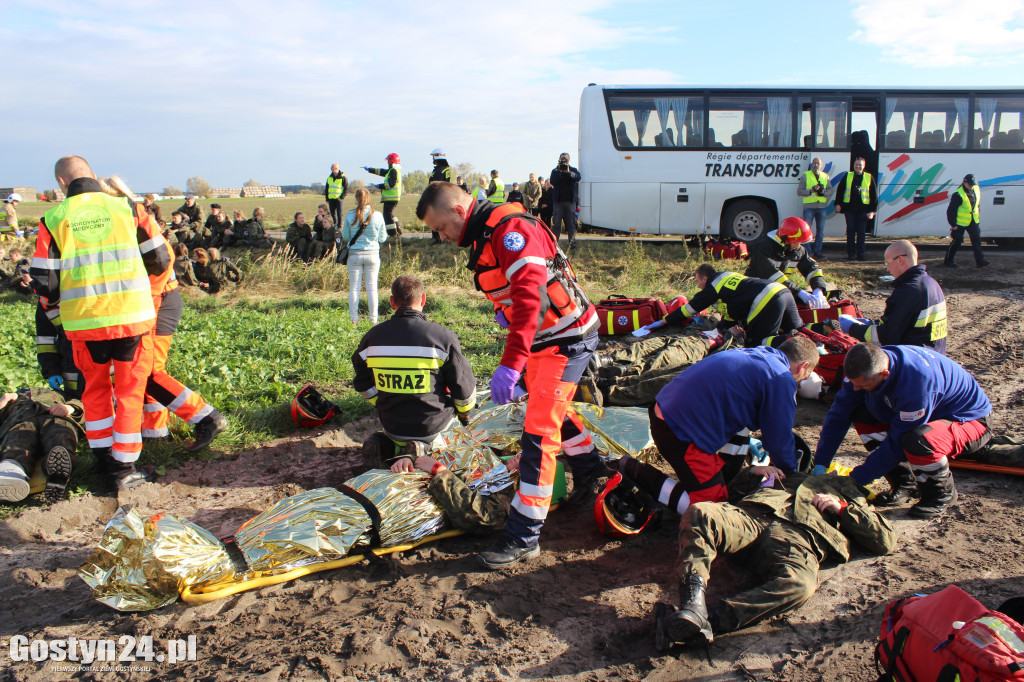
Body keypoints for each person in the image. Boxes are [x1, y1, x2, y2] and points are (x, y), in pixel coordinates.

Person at [416, 181, 606, 570]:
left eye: (440, 227)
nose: (441, 237)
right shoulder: (486, 233)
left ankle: (524, 535)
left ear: (457, 210)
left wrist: (511, 363)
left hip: (566, 337)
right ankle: (591, 469)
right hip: (547, 338)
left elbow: (531, 299)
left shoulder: (510, 231)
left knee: (538, 433)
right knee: (546, 408)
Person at [30, 155, 170, 489]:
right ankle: (125, 468)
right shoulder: (129, 209)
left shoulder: (53, 219)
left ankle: (106, 463)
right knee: (130, 391)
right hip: (132, 320)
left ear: (62, 184)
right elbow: (161, 258)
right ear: (93, 176)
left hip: (84, 325)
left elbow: (44, 282)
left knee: (94, 392)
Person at [655, 470, 896, 649]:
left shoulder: (853, 495)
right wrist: (752, 473)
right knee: (701, 512)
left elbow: (884, 540)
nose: (834, 473)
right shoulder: (792, 472)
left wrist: (842, 508)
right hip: (753, 517)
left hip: (799, 540)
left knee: (800, 584)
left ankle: (711, 620)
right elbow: (730, 493)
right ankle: (692, 606)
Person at [627, 337, 818, 525]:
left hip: (669, 411)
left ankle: (724, 478)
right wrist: (791, 474)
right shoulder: (782, 377)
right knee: (713, 512)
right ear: (803, 366)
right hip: (679, 431)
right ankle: (632, 469)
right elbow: (778, 439)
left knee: (742, 426)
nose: (799, 383)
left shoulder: (760, 354)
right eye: (803, 378)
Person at [812, 343, 992, 518]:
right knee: (860, 413)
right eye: (853, 384)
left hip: (969, 422)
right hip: (928, 415)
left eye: (862, 385)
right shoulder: (867, 368)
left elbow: (896, 444)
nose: (856, 388)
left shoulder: (917, 385)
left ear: (884, 374)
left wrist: (856, 480)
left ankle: (941, 494)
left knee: (917, 440)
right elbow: (839, 414)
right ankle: (904, 483)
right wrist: (821, 462)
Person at [354, 275, 477, 468]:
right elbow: (464, 388)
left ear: (392, 302)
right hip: (433, 428)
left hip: (393, 426)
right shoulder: (442, 338)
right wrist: (464, 416)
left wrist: (382, 401)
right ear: (424, 299)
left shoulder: (371, 338)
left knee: (394, 439)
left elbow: (361, 383)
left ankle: (386, 447)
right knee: (459, 443)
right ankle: (422, 450)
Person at [840, 240, 947, 354]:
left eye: (888, 262)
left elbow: (886, 337)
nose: (887, 268)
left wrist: (852, 328)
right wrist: (870, 324)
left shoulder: (908, 290)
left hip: (913, 360)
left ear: (900, 260)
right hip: (935, 357)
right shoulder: (931, 283)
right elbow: (906, 323)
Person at [668, 265, 804, 348]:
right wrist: (723, 327)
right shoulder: (727, 278)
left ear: (705, 278)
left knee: (759, 343)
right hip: (782, 290)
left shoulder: (713, 287)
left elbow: (690, 309)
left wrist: (663, 321)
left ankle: (790, 339)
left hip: (766, 297)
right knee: (798, 328)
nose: (698, 286)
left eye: (698, 281)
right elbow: (732, 316)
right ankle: (821, 330)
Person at [393, 451, 519, 533]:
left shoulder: (511, 495)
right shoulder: (496, 463)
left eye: (530, 458)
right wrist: (409, 458)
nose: (520, 455)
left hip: (403, 507)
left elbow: (478, 517)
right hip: (399, 480)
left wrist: (441, 472)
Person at [0, 387, 83, 502]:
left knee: (60, 436)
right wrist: (3, 403)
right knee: (18, 442)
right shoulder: (14, 399)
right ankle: (10, 472)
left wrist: (70, 408)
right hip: (22, 421)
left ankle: (57, 473)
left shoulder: (61, 394)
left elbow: (83, 404)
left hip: (55, 417)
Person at [745, 217, 829, 309]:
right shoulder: (763, 247)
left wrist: (818, 289)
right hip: (754, 293)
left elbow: (812, 268)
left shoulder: (797, 250)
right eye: (796, 242)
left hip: (777, 292)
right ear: (785, 240)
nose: (799, 246)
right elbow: (771, 275)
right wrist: (798, 292)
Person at [342, 188, 389, 324]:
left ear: (356, 199)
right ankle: (373, 320)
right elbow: (382, 238)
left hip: (355, 254)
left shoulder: (350, 215)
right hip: (373, 254)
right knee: (372, 288)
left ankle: (353, 320)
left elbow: (346, 236)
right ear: (369, 198)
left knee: (354, 288)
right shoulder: (378, 215)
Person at [833, 157, 877, 261]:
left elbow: (873, 195)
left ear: (864, 166)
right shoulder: (848, 176)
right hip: (850, 210)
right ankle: (851, 255)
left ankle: (861, 255)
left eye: (860, 165)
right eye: (856, 164)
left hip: (863, 210)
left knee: (861, 233)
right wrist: (838, 204)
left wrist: (873, 211)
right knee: (851, 232)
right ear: (854, 165)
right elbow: (840, 190)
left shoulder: (869, 177)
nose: (858, 166)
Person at [944, 173, 989, 268]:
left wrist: (978, 213)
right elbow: (951, 211)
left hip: (973, 220)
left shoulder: (976, 189)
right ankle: (948, 261)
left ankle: (980, 261)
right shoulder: (958, 194)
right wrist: (953, 224)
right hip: (960, 222)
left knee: (976, 240)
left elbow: (976, 203)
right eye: (970, 184)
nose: (972, 186)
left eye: (973, 184)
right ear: (964, 182)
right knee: (957, 241)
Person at [796, 157, 834, 259]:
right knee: (806, 231)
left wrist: (824, 193)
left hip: (821, 207)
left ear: (821, 165)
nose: (816, 165)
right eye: (814, 163)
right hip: (809, 207)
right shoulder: (806, 175)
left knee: (820, 231)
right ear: (812, 164)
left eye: (818, 163)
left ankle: (818, 252)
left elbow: (831, 191)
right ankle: (807, 252)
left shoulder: (825, 176)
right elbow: (799, 191)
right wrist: (811, 191)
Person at [364, 153, 402, 237]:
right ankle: (398, 227)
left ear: (391, 161)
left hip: (390, 198)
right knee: (390, 214)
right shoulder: (393, 170)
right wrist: (370, 169)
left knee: (387, 216)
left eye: (388, 161)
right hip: (393, 198)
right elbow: (382, 171)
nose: (387, 163)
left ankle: (392, 234)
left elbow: (390, 185)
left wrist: (379, 186)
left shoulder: (393, 171)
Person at [549, 153, 581, 248]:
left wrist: (567, 172)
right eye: (562, 159)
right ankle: (555, 245)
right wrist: (560, 171)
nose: (564, 161)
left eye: (565, 159)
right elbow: (553, 182)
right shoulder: (555, 171)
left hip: (570, 202)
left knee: (571, 224)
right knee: (557, 224)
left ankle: (572, 243)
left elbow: (578, 178)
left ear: (569, 160)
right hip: (558, 202)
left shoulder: (573, 170)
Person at [427, 149, 452, 243]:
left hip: (438, 196)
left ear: (437, 157)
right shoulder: (442, 169)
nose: (433, 159)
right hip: (440, 196)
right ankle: (437, 237)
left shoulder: (440, 170)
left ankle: (438, 239)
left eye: (433, 157)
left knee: (436, 218)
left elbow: (436, 184)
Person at [325, 163, 348, 228]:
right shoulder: (329, 178)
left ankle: (340, 225)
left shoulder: (343, 177)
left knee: (339, 212)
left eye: (332, 167)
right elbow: (327, 188)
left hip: (339, 199)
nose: (331, 169)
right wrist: (327, 198)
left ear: (336, 168)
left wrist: (341, 197)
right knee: (332, 213)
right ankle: (335, 223)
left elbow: (346, 188)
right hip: (331, 198)